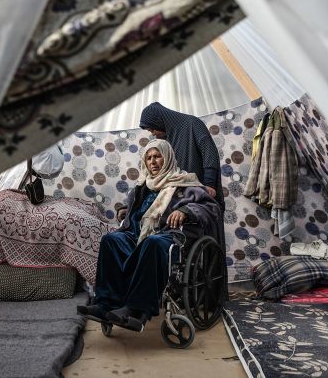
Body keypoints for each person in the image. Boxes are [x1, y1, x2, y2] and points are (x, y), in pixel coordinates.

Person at [77, 139, 221, 331]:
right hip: (137, 235)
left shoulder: (185, 183)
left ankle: (137, 309)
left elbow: (212, 208)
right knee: (111, 240)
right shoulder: (143, 186)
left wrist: (186, 210)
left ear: (167, 157)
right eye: (149, 158)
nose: (153, 161)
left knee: (152, 242)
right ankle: (106, 304)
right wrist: (125, 210)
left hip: (170, 237)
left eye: (157, 156)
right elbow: (140, 209)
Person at [139, 102, 224, 210]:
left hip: (200, 195)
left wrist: (208, 185)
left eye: (152, 129)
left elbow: (209, 155)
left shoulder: (193, 124)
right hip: (175, 199)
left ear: (158, 121)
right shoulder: (164, 139)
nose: (153, 134)